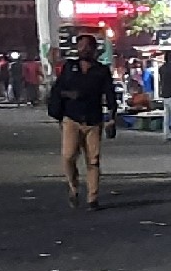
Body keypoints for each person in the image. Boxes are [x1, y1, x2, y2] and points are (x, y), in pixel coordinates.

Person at [47, 34, 118, 210]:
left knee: (93, 161)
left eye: (88, 46)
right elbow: (57, 90)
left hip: (93, 120)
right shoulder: (69, 68)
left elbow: (110, 94)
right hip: (71, 119)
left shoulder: (101, 71)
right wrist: (68, 96)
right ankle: (74, 188)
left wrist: (112, 118)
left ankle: (92, 198)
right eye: (81, 46)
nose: (84, 49)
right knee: (68, 156)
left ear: (94, 50)